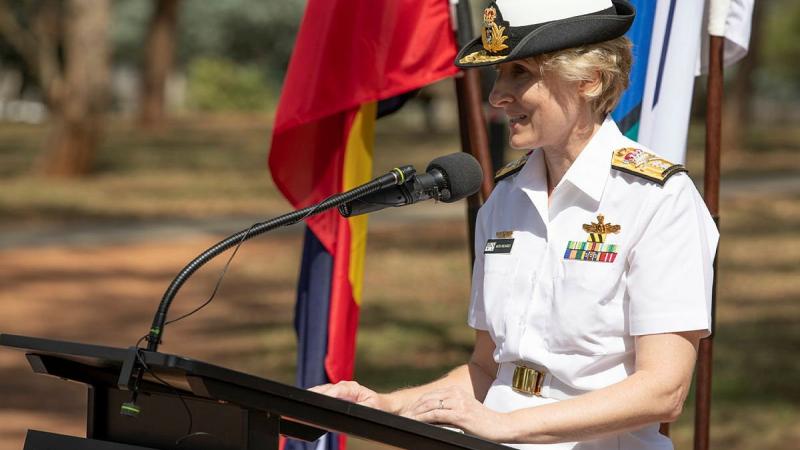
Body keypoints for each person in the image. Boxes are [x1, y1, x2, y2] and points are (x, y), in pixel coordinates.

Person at [312, 1, 719, 449]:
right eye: (499, 74)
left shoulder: (658, 199)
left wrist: (508, 426)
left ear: (589, 80)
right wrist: (386, 406)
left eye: (520, 73)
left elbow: (664, 391)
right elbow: (489, 370)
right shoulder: (503, 198)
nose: (496, 96)